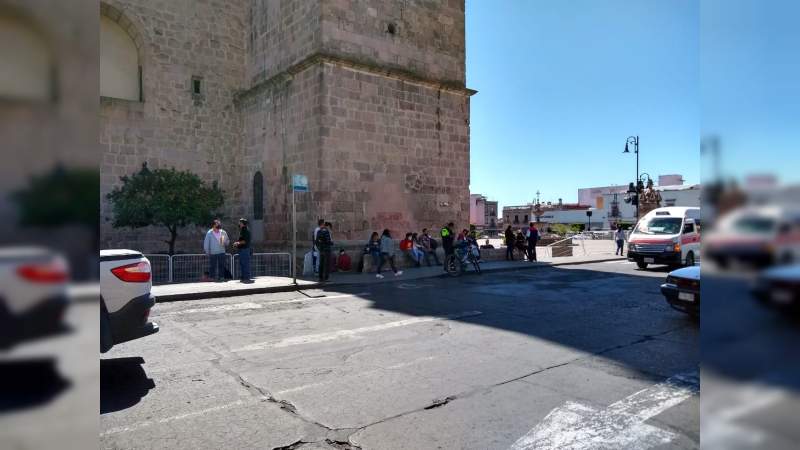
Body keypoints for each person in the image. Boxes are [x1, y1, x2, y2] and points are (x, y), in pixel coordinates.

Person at [232, 218, 251, 282]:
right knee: (243, 264)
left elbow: (244, 241)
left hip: (244, 250)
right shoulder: (243, 230)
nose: (238, 224)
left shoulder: (245, 230)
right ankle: (244, 277)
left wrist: (237, 243)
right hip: (243, 249)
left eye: (239, 222)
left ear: (242, 223)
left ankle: (246, 277)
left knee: (245, 263)